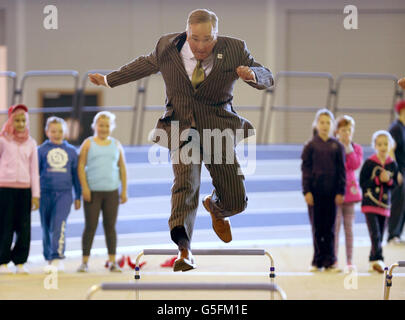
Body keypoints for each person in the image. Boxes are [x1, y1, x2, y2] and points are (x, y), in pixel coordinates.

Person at [88, 9, 273, 272]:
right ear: (187, 32)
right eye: (194, 38)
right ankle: (184, 249)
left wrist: (252, 75)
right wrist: (109, 80)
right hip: (180, 126)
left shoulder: (234, 48)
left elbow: (267, 74)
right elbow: (143, 64)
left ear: (216, 35)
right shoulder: (167, 46)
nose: (200, 46)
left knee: (236, 200)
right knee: (185, 183)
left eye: (207, 39)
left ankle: (217, 208)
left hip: (217, 127)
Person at [77, 111, 128, 273]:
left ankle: (112, 261)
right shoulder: (88, 143)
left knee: (110, 227)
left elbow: (123, 168)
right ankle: (84, 262)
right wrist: (84, 187)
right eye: (101, 125)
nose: (104, 128)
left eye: (107, 126)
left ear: (111, 127)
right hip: (92, 192)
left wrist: (124, 191)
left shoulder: (116, 144)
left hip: (111, 191)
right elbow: (80, 166)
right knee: (90, 226)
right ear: (95, 126)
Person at [301, 109, 346, 272]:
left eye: (328, 122)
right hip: (315, 192)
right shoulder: (310, 146)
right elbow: (306, 170)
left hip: (332, 193)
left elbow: (342, 171)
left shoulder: (337, 146)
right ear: (316, 124)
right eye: (322, 122)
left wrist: (341, 191)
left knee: (330, 227)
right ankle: (317, 260)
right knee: (317, 227)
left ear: (332, 125)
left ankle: (330, 260)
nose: (325, 126)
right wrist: (306, 191)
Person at [38, 117, 81, 272]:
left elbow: (76, 175)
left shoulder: (71, 151)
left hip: (64, 194)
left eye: (60, 131)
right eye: (53, 131)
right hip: (45, 193)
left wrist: (78, 196)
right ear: (47, 132)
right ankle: (48, 258)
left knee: (58, 224)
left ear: (65, 132)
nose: (57, 134)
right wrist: (34, 195)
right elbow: (35, 173)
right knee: (46, 227)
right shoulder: (41, 150)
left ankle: (57, 256)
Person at [0, 104, 40, 274]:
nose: (20, 123)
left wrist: (36, 194)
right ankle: (2, 261)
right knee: (4, 226)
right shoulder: (2, 141)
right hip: (5, 188)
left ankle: (20, 262)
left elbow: (34, 170)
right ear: (10, 121)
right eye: (17, 120)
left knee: (23, 228)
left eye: (23, 120)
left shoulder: (31, 143)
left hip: (25, 190)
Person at [359, 130, 400, 273]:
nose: (383, 147)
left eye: (386, 144)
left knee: (380, 235)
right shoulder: (369, 163)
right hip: (370, 204)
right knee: (375, 233)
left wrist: (388, 180)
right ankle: (379, 259)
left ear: (390, 146)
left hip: (384, 205)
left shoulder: (392, 164)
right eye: (380, 144)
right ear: (375, 145)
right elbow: (362, 183)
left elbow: (395, 184)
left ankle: (372, 259)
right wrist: (377, 180)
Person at [333, 115, 363, 272]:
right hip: (336, 194)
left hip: (350, 195)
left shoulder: (356, 148)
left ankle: (350, 260)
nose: (346, 133)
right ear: (337, 131)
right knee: (335, 229)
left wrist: (348, 148)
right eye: (343, 130)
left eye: (349, 130)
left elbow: (355, 164)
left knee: (349, 229)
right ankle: (335, 260)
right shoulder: (333, 147)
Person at [387, 100, 405, 245]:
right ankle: (393, 234)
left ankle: (398, 233)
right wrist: (396, 170)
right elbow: (390, 150)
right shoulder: (396, 128)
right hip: (399, 170)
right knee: (397, 201)